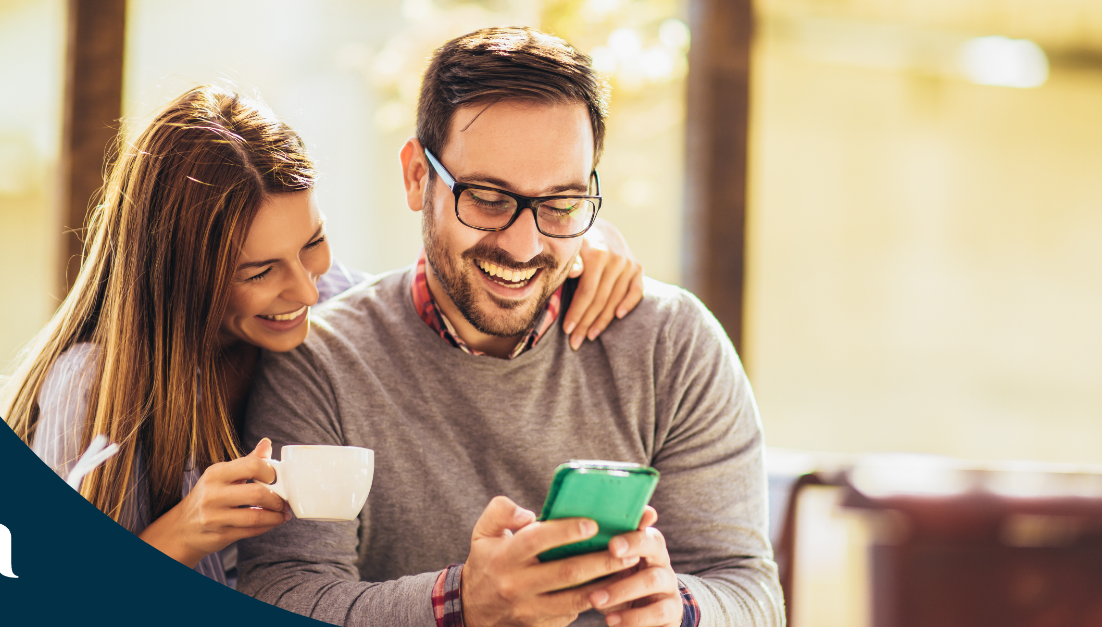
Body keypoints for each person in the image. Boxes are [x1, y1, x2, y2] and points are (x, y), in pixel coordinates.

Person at [238, 27, 784, 627]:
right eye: (489, 198)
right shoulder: (320, 362)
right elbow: (285, 595)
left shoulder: (672, 346)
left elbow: (749, 590)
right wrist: (461, 603)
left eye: (561, 204)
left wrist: (678, 607)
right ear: (419, 176)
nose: (524, 247)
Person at [0, 84, 645, 587]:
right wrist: (184, 531)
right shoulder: (93, 388)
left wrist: (582, 241)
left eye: (312, 243)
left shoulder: (330, 307)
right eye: (260, 271)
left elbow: (437, 294)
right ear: (181, 278)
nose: (305, 290)